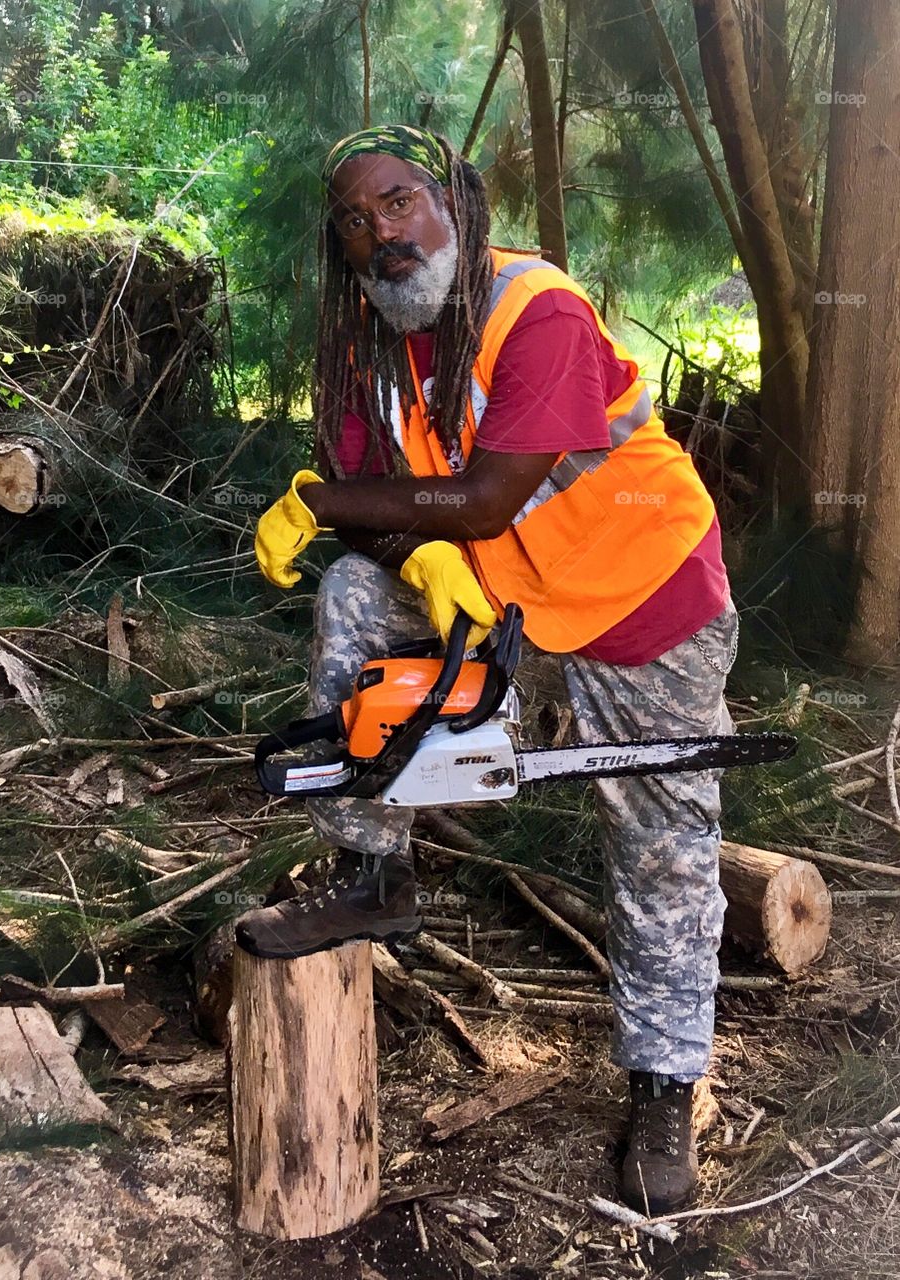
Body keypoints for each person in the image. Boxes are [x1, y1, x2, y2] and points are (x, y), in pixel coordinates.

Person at [235, 124, 738, 1215]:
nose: (383, 235)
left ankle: (662, 1081)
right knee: (353, 598)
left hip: (638, 598)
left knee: (657, 842)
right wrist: (397, 544)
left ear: (456, 201)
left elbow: (481, 499)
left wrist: (333, 506)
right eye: (357, 222)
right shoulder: (370, 347)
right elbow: (390, 511)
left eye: (401, 202)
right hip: (510, 600)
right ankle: (373, 873)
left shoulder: (533, 310)